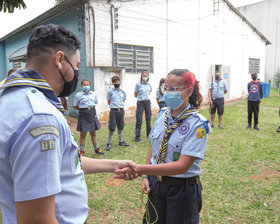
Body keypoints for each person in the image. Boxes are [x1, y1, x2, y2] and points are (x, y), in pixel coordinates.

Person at [0, 24, 137, 224]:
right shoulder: (39, 118)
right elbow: (37, 219)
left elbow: (62, 161)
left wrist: (114, 164)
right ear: (60, 60)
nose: (76, 73)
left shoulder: (10, 99)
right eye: (76, 65)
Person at [117, 69, 209, 223]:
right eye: (165, 88)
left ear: (188, 91)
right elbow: (154, 147)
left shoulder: (198, 124)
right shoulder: (162, 114)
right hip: (157, 186)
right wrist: (146, 177)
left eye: (173, 89)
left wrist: (140, 169)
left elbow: (181, 166)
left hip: (182, 190)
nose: (167, 93)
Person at [73, 79, 104, 156]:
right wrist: (84, 109)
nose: (86, 86)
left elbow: (95, 103)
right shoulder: (78, 95)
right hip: (83, 114)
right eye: (84, 85)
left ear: (90, 85)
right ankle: (82, 151)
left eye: (87, 85)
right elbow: (75, 106)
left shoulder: (93, 94)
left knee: (93, 133)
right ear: (81, 86)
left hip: (92, 113)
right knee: (83, 134)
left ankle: (96, 149)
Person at [106, 75, 130, 151]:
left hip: (121, 111)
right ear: (112, 83)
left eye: (118, 81)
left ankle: (121, 141)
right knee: (112, 127)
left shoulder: (123, 92)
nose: (117, 83)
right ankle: (109, 143)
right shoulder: (110, 91)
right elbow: (109, 102)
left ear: (120, 81)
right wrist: (114, 107)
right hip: (113, 111)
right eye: (115, 82)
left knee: (120, 126)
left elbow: (123, 100)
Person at [134, 70, 152, 142]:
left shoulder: (149, 85)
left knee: (148, 120)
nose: (145, 77)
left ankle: (149, 135)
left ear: (148, 77)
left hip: (147, 102)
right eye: (143, 76)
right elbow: (135, 94)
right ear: (141, 76)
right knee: (139, 120)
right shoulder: (138, 84)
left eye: (146, 76)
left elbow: (149, 92)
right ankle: (137, 137)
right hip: (140, 102)